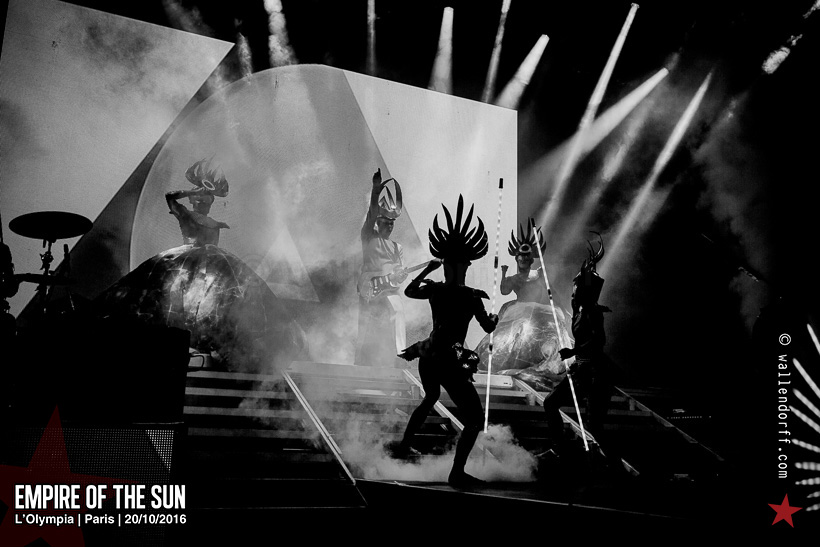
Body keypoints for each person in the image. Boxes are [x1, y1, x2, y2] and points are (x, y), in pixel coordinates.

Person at [395, 195, 499, 487]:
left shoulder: (437, 290)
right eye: (465, 264)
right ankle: (456, 472)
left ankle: (404, 446)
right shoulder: (470, 296)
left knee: (430, 397)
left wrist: (427, 271)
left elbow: (410, 291)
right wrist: (496, 317)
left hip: (430, 357)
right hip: (449, 362)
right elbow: (488, 327)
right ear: (463, 265)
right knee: (474, 419)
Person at [542, 234, 620, 468]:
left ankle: (615, 465)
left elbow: (599, 341)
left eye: (576, 287)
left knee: (594, 425)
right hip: (583, 369)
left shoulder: (591, 312)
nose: (573, 290)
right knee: (551, 403)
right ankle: (559, 449)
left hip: (595, 372)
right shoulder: (580, 310)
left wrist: (572, 351)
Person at [355, 168, 408, 367]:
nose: (390, 226)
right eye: (386, 222)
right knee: (364, 326)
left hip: (389, 289)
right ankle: (359, 361)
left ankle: (400, 355)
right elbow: (371, 213)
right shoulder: (368, 237)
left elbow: (400, 272)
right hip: (370, 288)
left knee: (398, 309)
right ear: (378, 222)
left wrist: (400, 275)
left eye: (392, 223)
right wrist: (376, 189)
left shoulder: (397, 247)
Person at [165, 158, 230, 247]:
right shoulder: (185, 215)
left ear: (211, 203)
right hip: (190, 252)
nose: (203, 203)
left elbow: (214, 247)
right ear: (191, 200)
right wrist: (194, 192)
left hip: (209, 254)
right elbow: (169, 197)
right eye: (199, 199)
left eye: (207, 200)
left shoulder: (215, 224)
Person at [499, 219, 549, 314]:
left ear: (531, 260)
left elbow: (551, 292)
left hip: (537, 310)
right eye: (521, 257)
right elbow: (504, 291)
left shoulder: (539, 274)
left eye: (526, 257)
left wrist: (562, 308)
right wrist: (503, 274)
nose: (523, 259)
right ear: (517, 260)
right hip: (518, 311)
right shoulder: (513, 279)